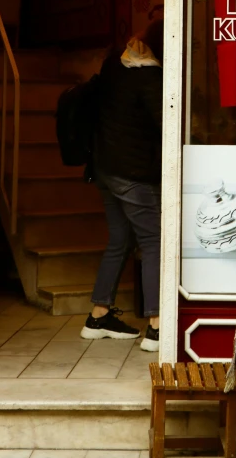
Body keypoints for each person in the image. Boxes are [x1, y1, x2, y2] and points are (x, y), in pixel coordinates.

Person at [80, 20, 164, 352]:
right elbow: (165, 124)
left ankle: (98, 316)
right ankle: (157, 326)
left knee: (121, 238)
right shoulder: (150, 76)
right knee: (155, 239)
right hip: (133, 174)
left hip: (105, 168)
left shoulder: (116, 64)